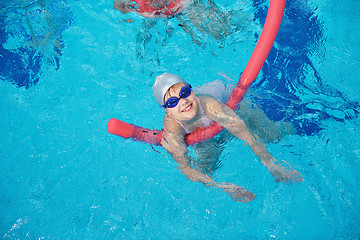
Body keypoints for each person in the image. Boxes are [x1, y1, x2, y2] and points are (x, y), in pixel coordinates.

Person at [153, 73, 302, 202]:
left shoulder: (208, 105)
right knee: (204, 169)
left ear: (192, 91)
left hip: (233, 108)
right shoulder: (172, 128)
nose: (183, 101)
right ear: (167, 111)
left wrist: (272, 165)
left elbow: (244, 133)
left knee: (273, 136)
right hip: (206, 136)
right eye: (172, 102)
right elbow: (185, 168)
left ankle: (292, 126)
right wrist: (224, 187)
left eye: (185, 92)